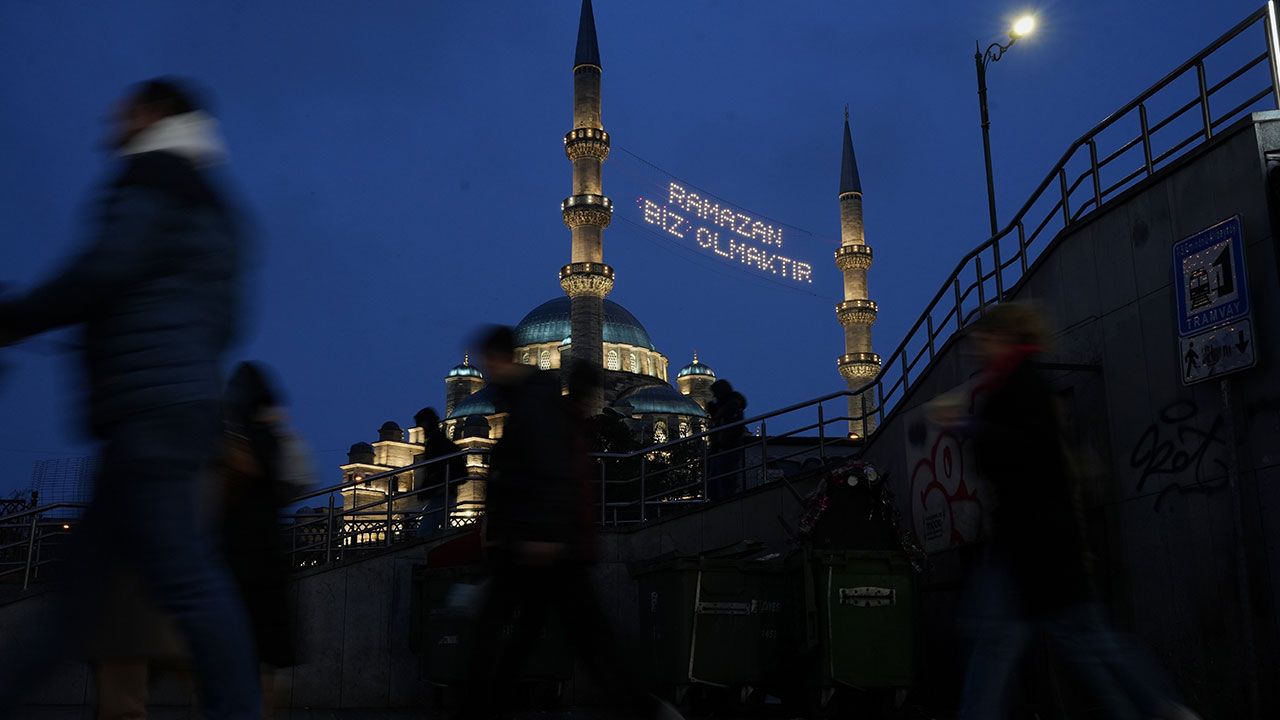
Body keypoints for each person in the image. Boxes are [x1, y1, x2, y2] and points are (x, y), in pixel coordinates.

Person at [0, 78, 262, 718]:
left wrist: (18, 317)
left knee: (182, 579)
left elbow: (103, 268)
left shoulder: (153, 176)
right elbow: (229, 322)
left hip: (151, 410)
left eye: (122, 114)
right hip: (174, 405)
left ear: (153, 113)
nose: (109, 127)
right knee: (81, 597)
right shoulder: (217, 204)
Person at [950, 303, 1199, 719]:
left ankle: (1161, 707)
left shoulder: (1017, 387)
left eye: (981, 339)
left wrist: (970, 429)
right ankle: (1161, 707)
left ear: (1001, 338)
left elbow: (1016, 460)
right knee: (1070, 643)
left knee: (1041, 644)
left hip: (1032, 546)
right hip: (1037, 546)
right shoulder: (1025, 383)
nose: (975, 348)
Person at [461, 328, 678, 720]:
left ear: (500, 358)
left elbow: (549, 470)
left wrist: (540, 534)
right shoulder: (528, 400)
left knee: (554, 634)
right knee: (552, 634)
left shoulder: (535, 401)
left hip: (542, 542)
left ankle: (643, 707)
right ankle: (643, 707)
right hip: (538, 541)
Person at [412, 407, 464, 534]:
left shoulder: (436, 442)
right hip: (444, 491)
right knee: (434, 526)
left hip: (442, 492)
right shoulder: (438, 440)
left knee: (425, 530)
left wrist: (429, 487)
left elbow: (437, 468)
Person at [705, 378, 748, 500]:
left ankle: (724, 501)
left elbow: (731, 428)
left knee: (724, 480)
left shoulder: (731, 407)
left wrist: (721, 443)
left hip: (726, 449)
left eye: (715, 393)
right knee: (715, 480)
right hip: (720, 449)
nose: (714, 396)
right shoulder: (724, 406)